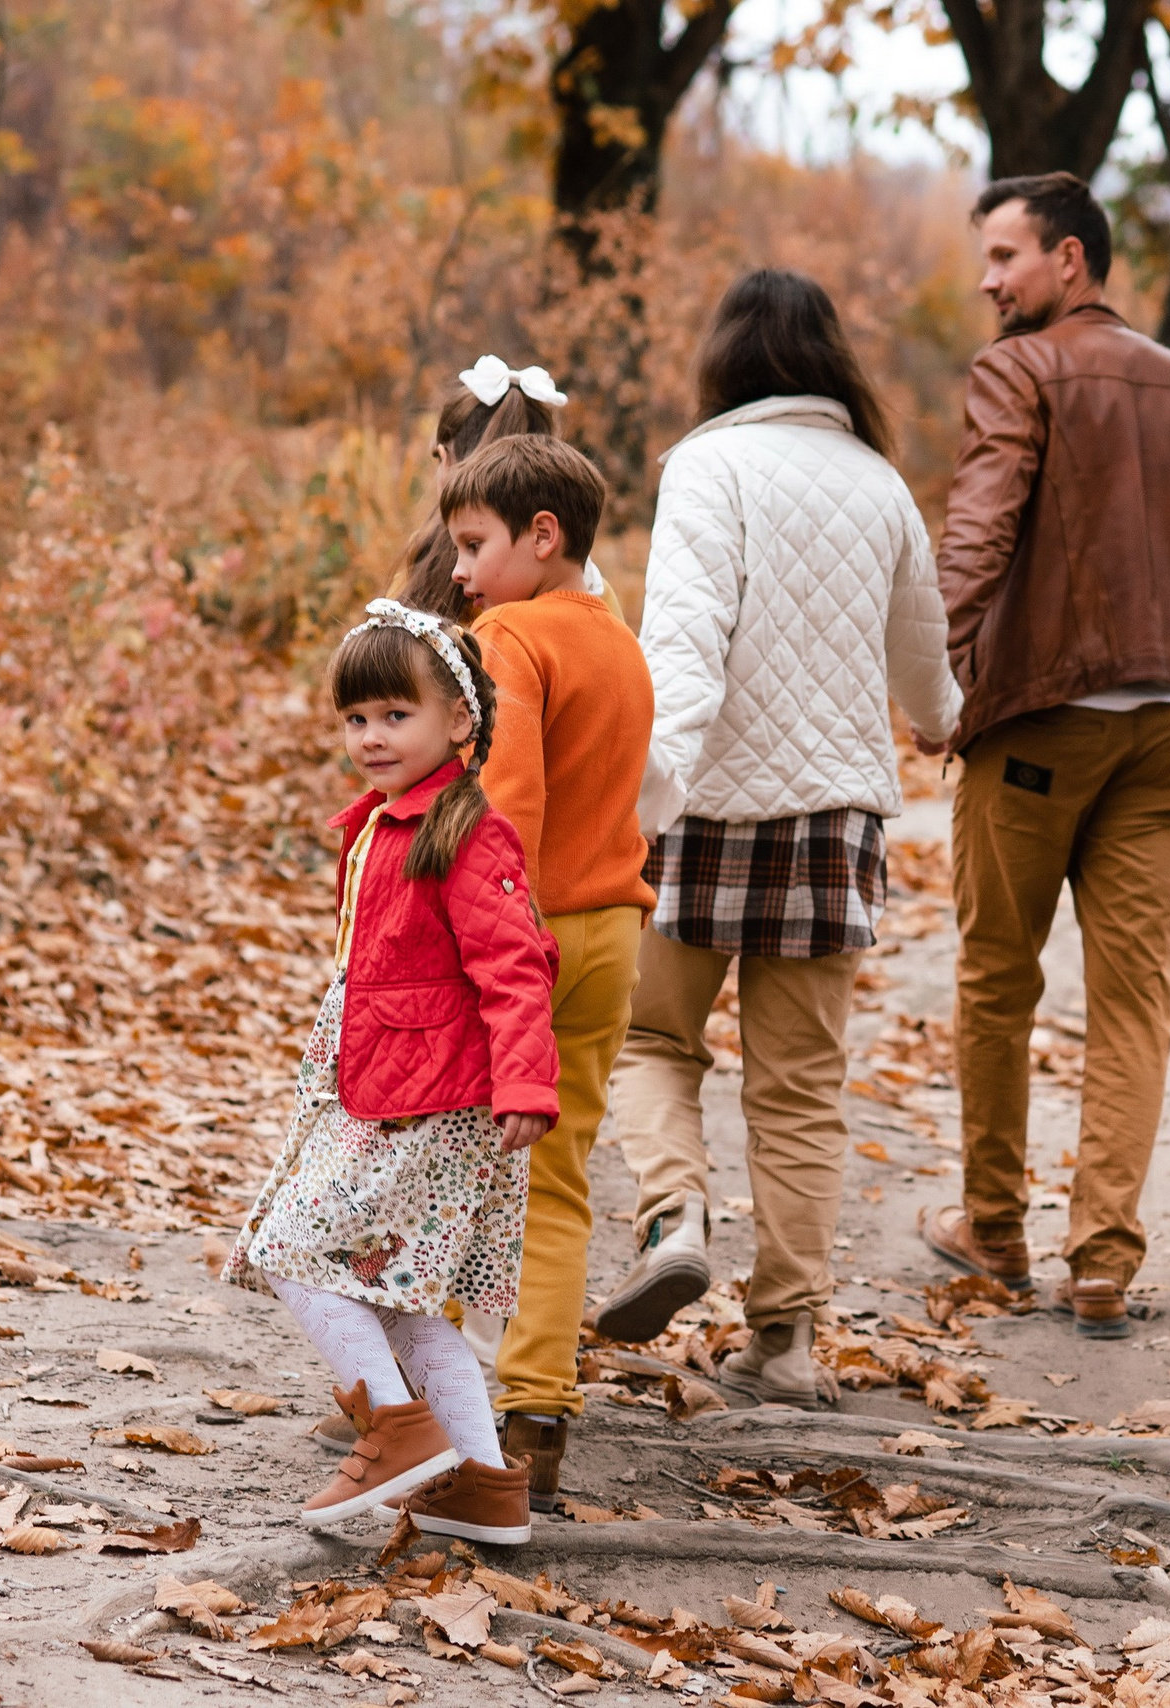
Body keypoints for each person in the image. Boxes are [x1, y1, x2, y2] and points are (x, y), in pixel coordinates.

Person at [600, 268, 961, 1406]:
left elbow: (686, 640)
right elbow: (922, 660)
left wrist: (644, 784)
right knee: (801, 1086)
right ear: (830, 360)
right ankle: (788, 1341)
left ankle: (674, 1215)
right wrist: (947, 724)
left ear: (726, 360)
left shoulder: (708, 465)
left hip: (705, 805)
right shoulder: (880, 484)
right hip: (833, 816)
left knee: (653, 1038)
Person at [920, 172, 1170, 1341]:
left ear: (1071, 259)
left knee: (998, 979)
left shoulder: (1018, 370)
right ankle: (1102, 1259)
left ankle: (995, 1228)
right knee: (1131, 1000)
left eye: (1005, 256)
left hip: (1043, 717)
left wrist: (936, 680)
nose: (988, 281)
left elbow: (976, 533)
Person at [224, 599, 561, 1544]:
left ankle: (397, 1429)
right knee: (397, 1294)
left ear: (458, 721)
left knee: (293, 1249)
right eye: (356, 719)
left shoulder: (467, 833)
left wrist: (528, 1084)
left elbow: (517, 966)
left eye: (394, 716)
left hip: (431, 1101)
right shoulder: (381, 824)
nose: (371, 737)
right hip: (377, 1086)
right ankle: (486, 1487)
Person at [439, 428, 653, 1514]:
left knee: (452, 1167)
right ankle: (536, 1412)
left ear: (542, 534)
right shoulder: (618, 639)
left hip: (525, 933)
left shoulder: (507, 638)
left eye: (473, 545)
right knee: (557, 1182)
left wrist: (482, 932)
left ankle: (423, 1406)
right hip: (612, 931)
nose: (462, 574)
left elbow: (507, 797)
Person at [391, 355, 621, 624]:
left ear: (445, 460)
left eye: (474, 546)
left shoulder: (428, 573)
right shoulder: (594, 594)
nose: (459, 572)